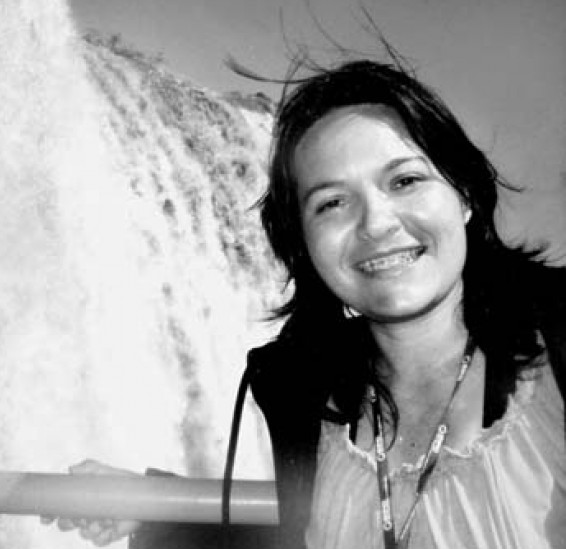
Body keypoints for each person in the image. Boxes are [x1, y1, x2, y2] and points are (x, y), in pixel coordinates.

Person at [45, 58, 566, 549]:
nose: (376, 223)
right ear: (303, 241)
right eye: (332, 203)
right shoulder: (304, 392)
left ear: (465, 194)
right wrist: (154, 506)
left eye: (405, 181)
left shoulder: (557, 351)